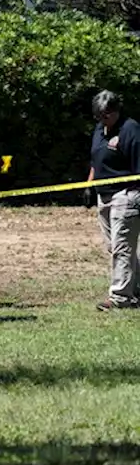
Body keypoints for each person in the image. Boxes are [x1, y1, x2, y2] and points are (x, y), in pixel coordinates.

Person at [85, 90, 140, 311]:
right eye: (98, 116)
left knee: (122, 247)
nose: (102, 120)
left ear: (116, 111)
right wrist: (89, 185)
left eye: (106, 115)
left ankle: (120, 297)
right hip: (103, 195)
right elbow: (95, 159)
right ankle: (135, 288)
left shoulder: (131, 130)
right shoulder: (100, 129)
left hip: (126, 195)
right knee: (114, 247)